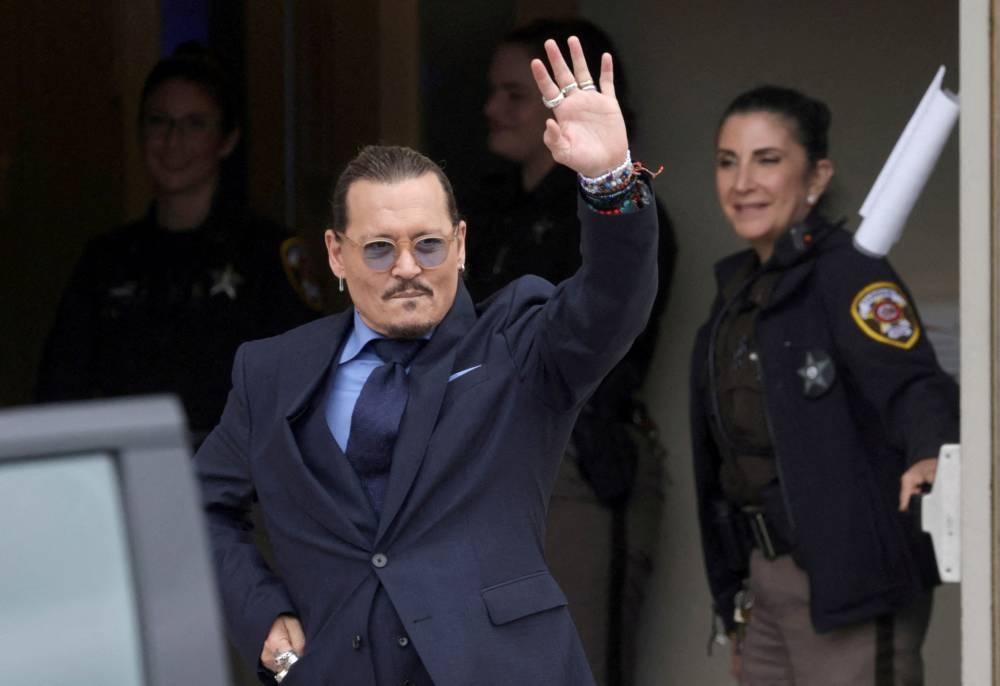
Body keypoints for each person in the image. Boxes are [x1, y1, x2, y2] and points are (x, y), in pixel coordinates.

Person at [194, 36, 658, 685]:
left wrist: (610, 182)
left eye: (430, 245)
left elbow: (612, 303)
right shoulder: (272, 370)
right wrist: (262, 617)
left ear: (462, 244)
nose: (408, 268)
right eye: (379, 248)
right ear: (336, 254)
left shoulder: (518, 342)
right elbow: (201, 508)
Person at [689, 85, 959, 685]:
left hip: (850, 576)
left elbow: (915, 381)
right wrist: (731, 595)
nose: (742, 182)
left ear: (816, 176)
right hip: (762, 580)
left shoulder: (848, 273)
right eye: (727, 161)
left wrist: (929, 453)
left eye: (767, 159)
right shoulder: (737, 294)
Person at [460, 18, 676, 686]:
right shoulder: (483, 207)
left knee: (568, 662)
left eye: (514, 95)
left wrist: (608, 180)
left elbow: (609, 311)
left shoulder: (625, 209)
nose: (494, 109)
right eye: (493, 92)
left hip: (573, 462)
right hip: (474, 462)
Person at [36, 44, 318, 441]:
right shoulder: (106, 260)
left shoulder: (266, 254)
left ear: (227, 138)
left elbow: (307, 393)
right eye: (158, 121)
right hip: (130, 477)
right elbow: (58, 394)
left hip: (239, 487)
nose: (172, 140)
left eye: (195, 124)